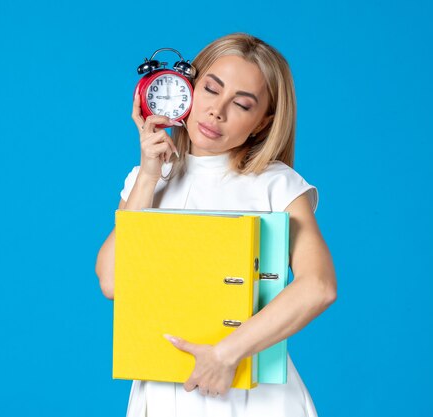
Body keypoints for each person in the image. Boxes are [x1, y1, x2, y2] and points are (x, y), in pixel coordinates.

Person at [95, 33, 337, 417]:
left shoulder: (278, 184)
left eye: (242, 104)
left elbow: (319, 286)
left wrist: (226, 354)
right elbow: (111, 281)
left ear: (263, 123)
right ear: (187, 87)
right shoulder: (148, 179)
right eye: (210, 89)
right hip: (164, 391)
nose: (217, 111)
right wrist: (147, 176)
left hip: (253, 397)